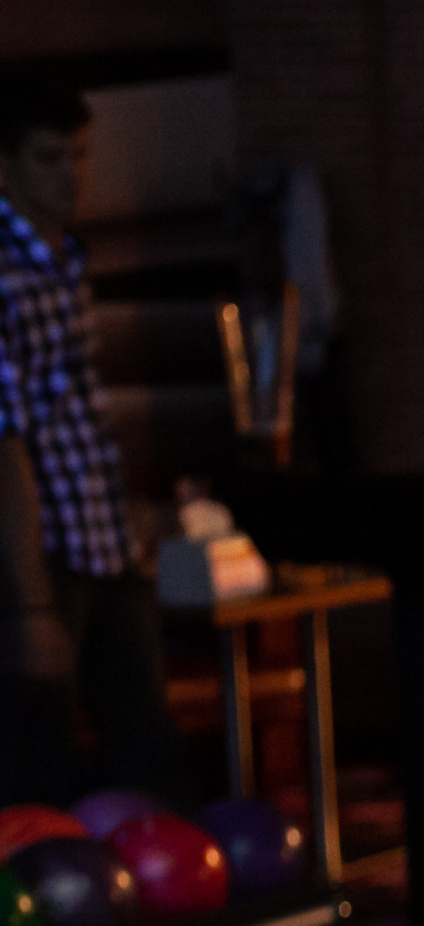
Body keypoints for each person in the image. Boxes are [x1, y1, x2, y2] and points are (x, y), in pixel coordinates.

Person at [0, 76, 188, 808]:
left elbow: (74, 411)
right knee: (37, 748)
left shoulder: (64, 258)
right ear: (7, 164)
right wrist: (30, 605)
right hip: (42, 554)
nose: (71, 175)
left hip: (101, 537)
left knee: (144, 742)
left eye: (78, 156)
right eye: (50, 158)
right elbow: (6, 440)